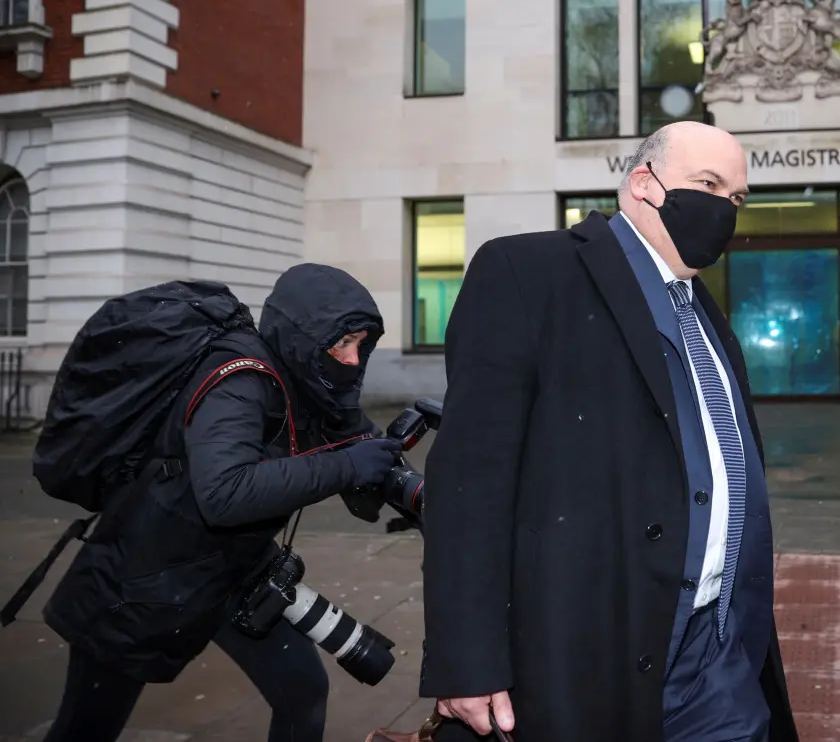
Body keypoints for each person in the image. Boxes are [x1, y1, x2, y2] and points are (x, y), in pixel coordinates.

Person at [419, 121, 799, 742]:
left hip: (717, 655)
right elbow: (469, 482)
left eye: (736, 198)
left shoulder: (702, 309)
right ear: (642, 186)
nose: (725, 209)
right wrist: (467, 659)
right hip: (589, 647)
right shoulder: (528, 271)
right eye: (707, 184)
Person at [40, 263, 405, 742]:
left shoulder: (308, 380)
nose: (354, 360)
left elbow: (354, 439)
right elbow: (224, 493)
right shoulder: (239, 379)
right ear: (303, 336)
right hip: (142, 580)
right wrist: (349, 467)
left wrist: (406, 483)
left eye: (362, 344)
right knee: (86, 729)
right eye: (342, 344)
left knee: (302, 692)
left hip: (232, 571)